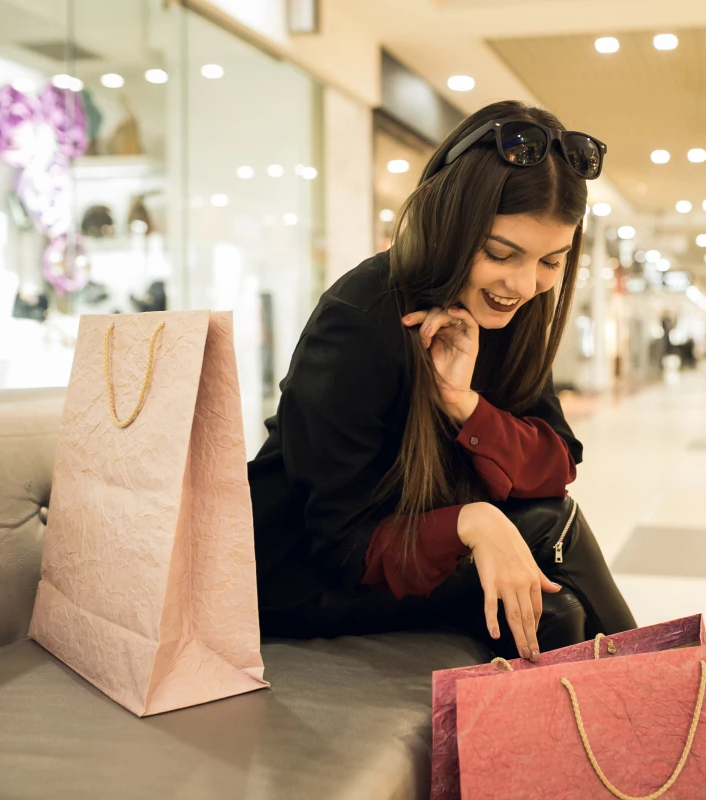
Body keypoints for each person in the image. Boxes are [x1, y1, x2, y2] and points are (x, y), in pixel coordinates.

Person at [247, 101, 635, 664]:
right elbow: (338, 542)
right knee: (556, 590)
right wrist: (470, 522)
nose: (524, 285)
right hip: (302, 573)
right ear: (450, 222)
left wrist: (464, 404)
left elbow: (554, 466)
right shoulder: (361, 316)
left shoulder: (511, 316)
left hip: (399, 542)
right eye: (501, 253)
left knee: (556, 579)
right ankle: (667, 709)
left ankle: (660, 717)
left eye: (552, 261)